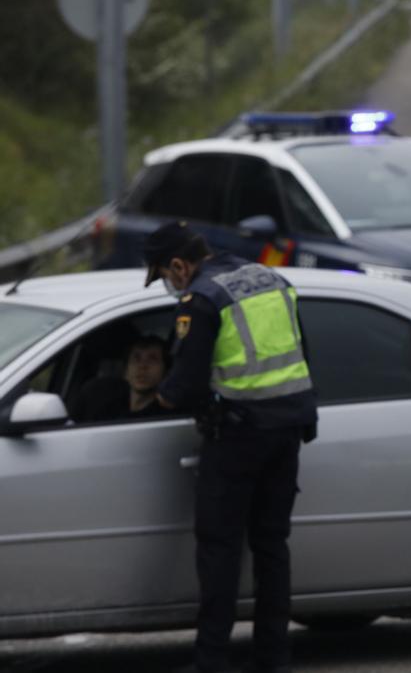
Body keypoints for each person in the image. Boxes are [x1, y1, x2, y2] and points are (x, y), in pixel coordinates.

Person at [143, 221, 318, 673]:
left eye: (164, 273)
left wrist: (151, 398)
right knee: (272, 548)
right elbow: (301, 354)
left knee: (219, 550)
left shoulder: (201, 298)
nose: (168, 282)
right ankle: (274, 658)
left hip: (238, 438)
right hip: (287, 431)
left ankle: (212, 661)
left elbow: (183, 387)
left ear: (179, 265)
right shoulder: (271, 279)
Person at [72, 334, 170, 422]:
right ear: (126, 371)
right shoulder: (108, 411)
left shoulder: (165, 419)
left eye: (152, 359)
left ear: (165, 371)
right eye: (136, 359)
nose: (142, 366)